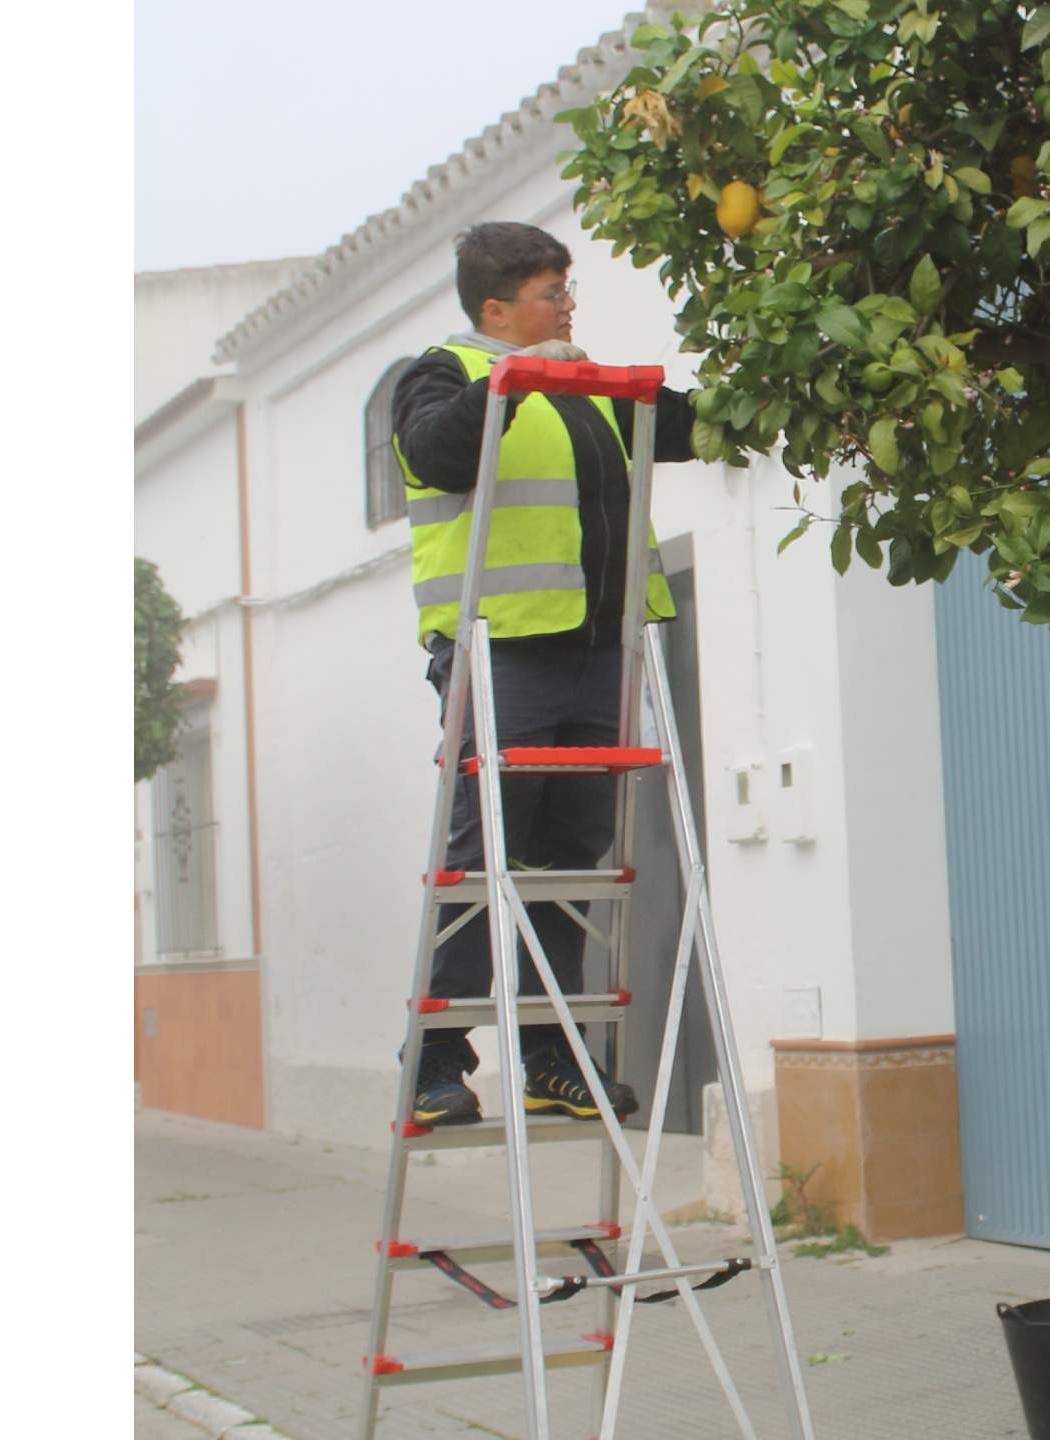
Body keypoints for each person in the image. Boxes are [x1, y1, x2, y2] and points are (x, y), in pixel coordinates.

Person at [388, 221, 695, 1127]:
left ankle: (553, 1054)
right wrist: (513, 382)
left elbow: (689, 427)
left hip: (601, 651)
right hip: (501, 651)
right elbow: (439, 452)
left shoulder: (585, 382)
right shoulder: (441, 374)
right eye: (551, 292)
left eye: (568, 289)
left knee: (568, 863)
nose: (568, 305)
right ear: (496, 308)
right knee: (484, 856)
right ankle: (439, 1060)